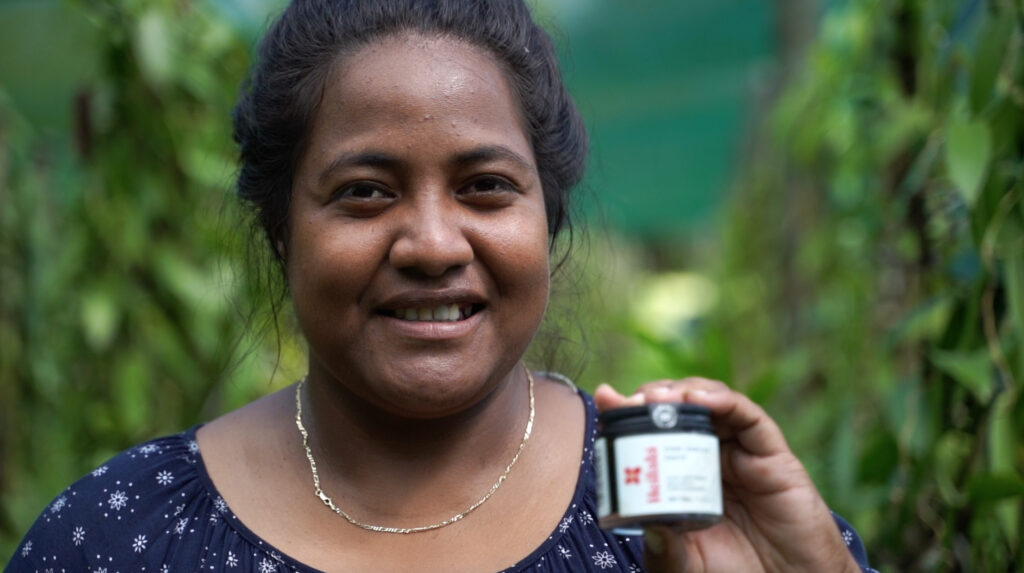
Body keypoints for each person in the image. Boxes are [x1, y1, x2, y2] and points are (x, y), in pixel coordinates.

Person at [7, 1, 876, 571]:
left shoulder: (690, 522)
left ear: (549, 219)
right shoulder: (122, 536)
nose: (431, 243)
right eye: (365, 193)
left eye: (485, 187)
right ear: (280, 231)